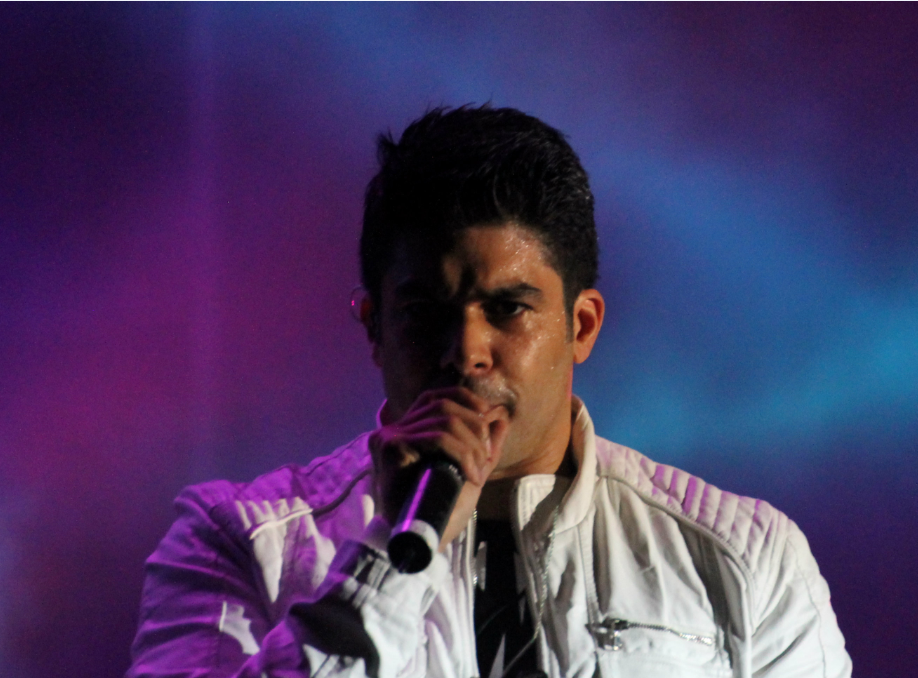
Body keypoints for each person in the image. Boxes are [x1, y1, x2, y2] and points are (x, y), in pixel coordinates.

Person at [127, 105, 852, 678]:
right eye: (424, 313)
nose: (465, 351)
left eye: (507, 308)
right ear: (374, 326)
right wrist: (388, 562)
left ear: (581, 326)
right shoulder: (236, 541)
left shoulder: (746, 558)